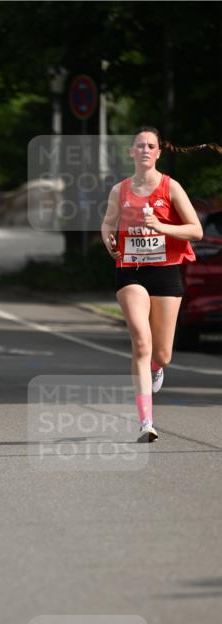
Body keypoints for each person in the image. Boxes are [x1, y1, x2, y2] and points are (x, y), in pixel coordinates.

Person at [101, 127, 210, 443]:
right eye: (140, 145)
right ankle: (145, 421)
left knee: (162, 353)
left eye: (151, 146)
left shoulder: (170, 187)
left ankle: (158, 368)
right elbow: (108, 224)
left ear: (159, 152)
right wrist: (109, 241)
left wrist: (160, 226)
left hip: (165, 273)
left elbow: (196, 230)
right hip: (131, 271)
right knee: (141, 340)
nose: (145, 150)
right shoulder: (119, 191)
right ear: (131, 152)